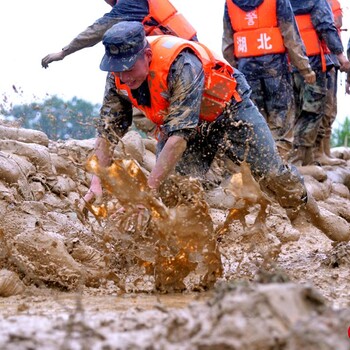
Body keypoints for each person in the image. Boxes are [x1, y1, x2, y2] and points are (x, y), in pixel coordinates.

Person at [85, 21, 350, 242]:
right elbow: (107, 129)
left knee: (273, 175)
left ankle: (318, 218)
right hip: (189, 125)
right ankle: (187, 253)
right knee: (176, 191)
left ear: (147, 55)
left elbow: (178, 139)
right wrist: (97, 183)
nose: (124, 76)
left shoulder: (182, 64)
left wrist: (146, 194)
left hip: (230, 111)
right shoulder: (117, 75)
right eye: (117, 69)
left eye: (129, 68)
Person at [41, 0, 198, 141]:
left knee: (157, 115)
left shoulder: (131, 3)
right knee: (138, 109)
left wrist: (64, 52)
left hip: (178, 68)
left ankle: (173, 142)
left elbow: (99, 28)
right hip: (160, 64)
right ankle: (167, 141)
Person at [221, 0, 316, 157]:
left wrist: (233, 73)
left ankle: (259, 166)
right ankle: (280, 165)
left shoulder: (230, 3)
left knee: (255, 119)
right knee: (281, 118)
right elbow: (290, 35)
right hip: (275, 67)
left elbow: (227, 42)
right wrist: (305, 69)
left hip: (246, 69)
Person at [288, 0, 350, 166]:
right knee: (313, 112)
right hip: (312, 62)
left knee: (298, 111)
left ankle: (308, 158)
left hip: (287, 61)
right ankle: (298, 160)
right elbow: (326, 26)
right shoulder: (316, 1)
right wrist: (340, 55)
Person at [313, 0, 345, 165]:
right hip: (317, 58)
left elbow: (337, 23)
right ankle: (318, 154)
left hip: (330, 58)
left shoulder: (332, 3)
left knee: (330, 109)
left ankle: (324, 152)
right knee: (320, 109)